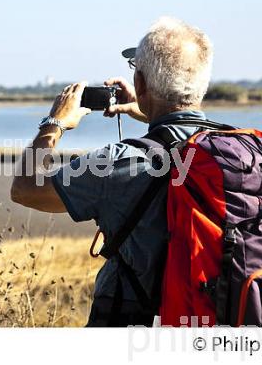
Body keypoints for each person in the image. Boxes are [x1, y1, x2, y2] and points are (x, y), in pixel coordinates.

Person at [11, 16, 214, 326]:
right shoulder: (243, 152)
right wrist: (150, 110)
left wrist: (54, 124)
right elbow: (185, 142)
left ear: (141, 83)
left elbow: (26, 189)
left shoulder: (118, 163)